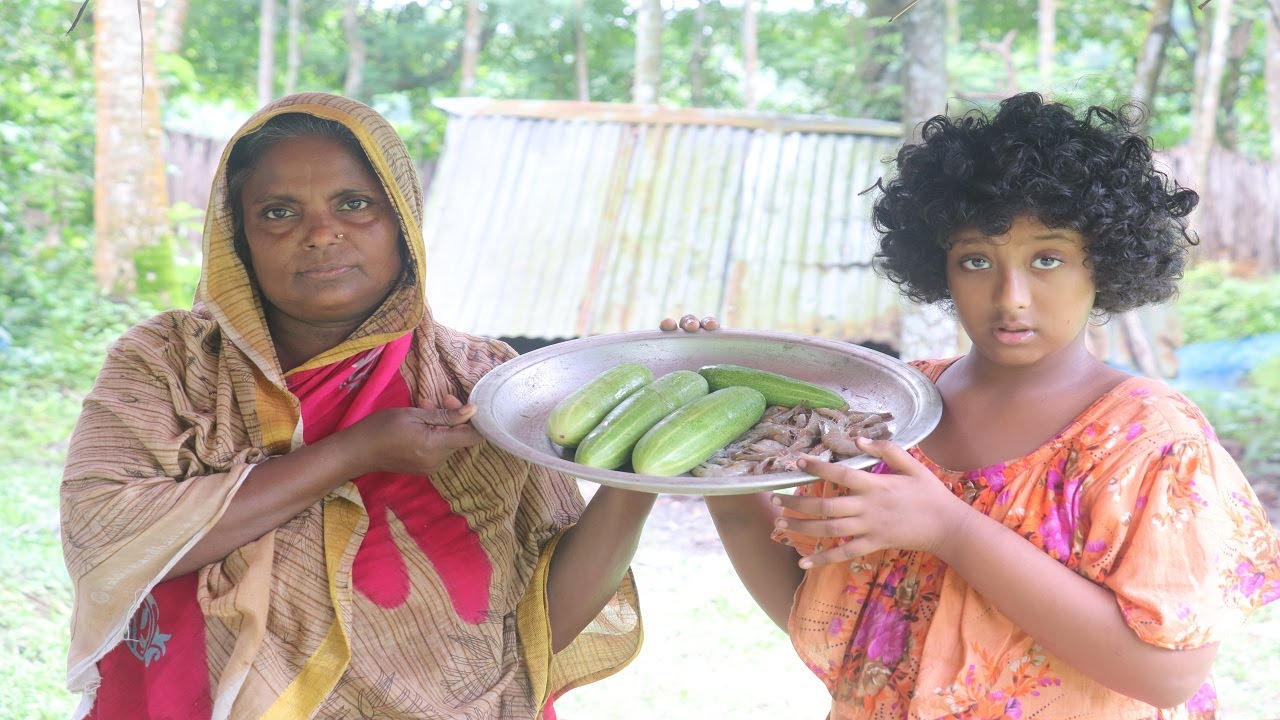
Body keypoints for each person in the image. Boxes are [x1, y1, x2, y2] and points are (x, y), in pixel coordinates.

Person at [60, 92, 653, 719]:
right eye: (279, 212)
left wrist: (644, 468)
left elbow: (537, 621)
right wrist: (356, 451)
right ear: (240, 238)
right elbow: (105, 538)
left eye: (354, 203)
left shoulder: (483, 382)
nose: (320, 234)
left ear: (403, 220)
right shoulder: (170, 364)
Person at [691, 93, 1280, 719]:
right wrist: (719, 464)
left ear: (1103, 265)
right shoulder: (884, 408)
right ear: (938, 268)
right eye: (976, 261)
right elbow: (815, 603)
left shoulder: (1152, 441)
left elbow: (1170, 676)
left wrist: (951, 529)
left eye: (1047, 259)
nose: (1011, 296)